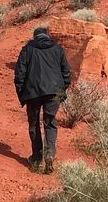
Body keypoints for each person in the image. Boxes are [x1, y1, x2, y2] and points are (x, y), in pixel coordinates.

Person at [14, 24, 71, 173]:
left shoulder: (27, 49)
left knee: (34, 124)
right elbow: (66, 73)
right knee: (50, 122)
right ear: (47, 36)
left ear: (34, 36)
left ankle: (37, 158)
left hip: (32, 93)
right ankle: (49, 155)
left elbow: (19, 74)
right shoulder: (57, 49)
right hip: (53, 92)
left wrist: (22, 94)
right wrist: (61, 91)